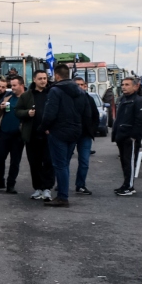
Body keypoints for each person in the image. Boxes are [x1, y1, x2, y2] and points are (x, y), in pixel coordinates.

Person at [39, 64, 87, 207]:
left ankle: (62, 196)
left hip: (58, 131)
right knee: (64, 164)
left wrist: (43, 127)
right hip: (74, 131)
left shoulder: (55, 91)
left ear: (57, 75)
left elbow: (50, 112)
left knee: (59, 165)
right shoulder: (80, 91)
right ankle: (62, 193)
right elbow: (85, 112)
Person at [17, 70, 55, 200]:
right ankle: (38, 188)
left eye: (45, 78)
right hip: (32, 135)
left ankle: (47, 188)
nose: (43, 81)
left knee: (49, 162)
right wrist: (27, 113)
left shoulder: (52, 93)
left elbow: (58, 111)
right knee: (34, 163)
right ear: (34, 79)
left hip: (48, 136)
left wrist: (52, 127)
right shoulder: (26, 95)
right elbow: (17, 111)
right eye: (40, 78)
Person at [112, 76, 142, 197]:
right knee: (124, 162)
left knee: (130, 162)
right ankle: (126, 184)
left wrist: (134, 136)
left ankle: (129, 186)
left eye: (127, 84)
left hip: (131, 138)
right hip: (121, 136)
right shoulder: (123, 99)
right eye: (123, 84)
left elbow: (141, 120)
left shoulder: (138, 100)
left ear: (136, 86)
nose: (124, 87)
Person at [0, 75, 24, 193]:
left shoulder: (26, 98)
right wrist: (1, 107)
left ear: (21, 85)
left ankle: (11, 184)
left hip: (18, 135)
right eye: (11, 85)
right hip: (3, 133)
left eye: (14, 85)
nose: (12, 88)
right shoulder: (8, 96)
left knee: (15, 161)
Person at [72, 77, 99, 195]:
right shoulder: (68, 99)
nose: (80, 87)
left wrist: (92, 130)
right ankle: (61, 184)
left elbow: (95, 116)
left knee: (84, 162)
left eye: (82, 85)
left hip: (85, 135)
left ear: (85, 86)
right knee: (64, 161)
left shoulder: (89, 99)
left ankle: (80, 185)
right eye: (77, 85)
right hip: (70, 134)